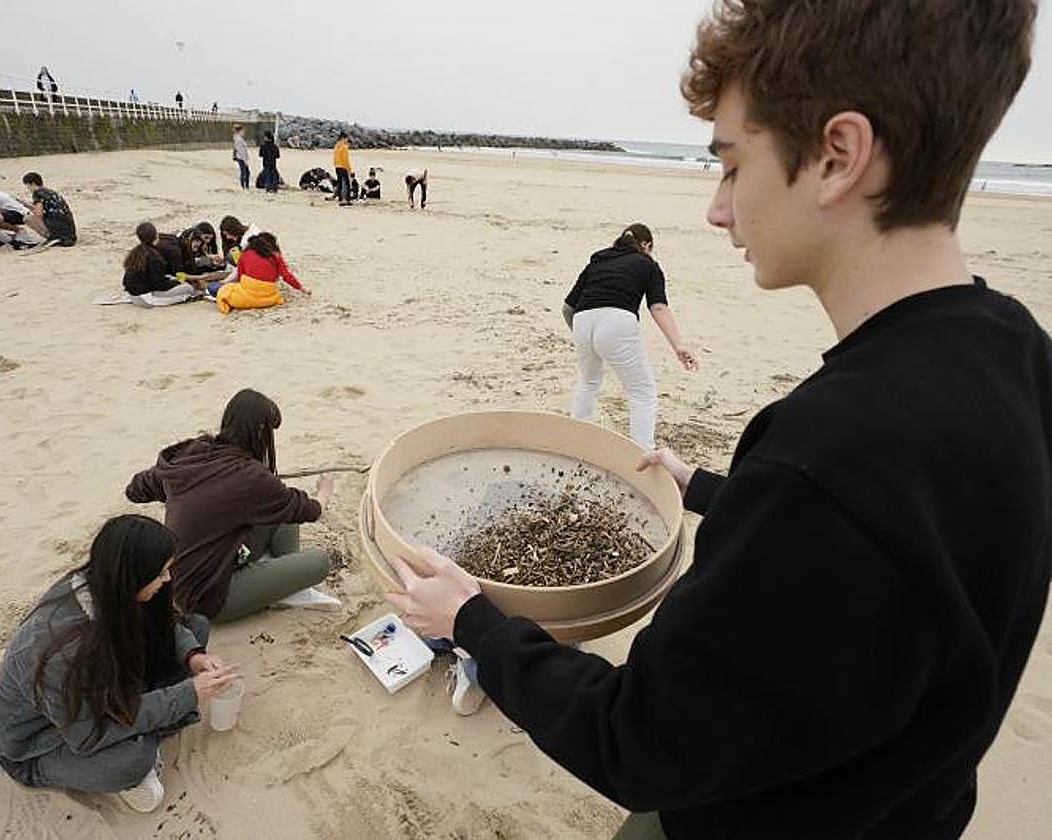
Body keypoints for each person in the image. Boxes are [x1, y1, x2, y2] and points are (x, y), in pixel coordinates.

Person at [381, 2, 1050, 840]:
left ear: (837, 156)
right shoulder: (1017, 351)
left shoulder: (826, 455)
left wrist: (472, 621)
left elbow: (638, 739)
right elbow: (885, 563)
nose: (717, 209)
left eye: (731, 165)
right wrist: (710, 489)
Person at [0, 515, 239, 812]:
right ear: (133, 576)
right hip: (40, 740)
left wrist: (194, 657)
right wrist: (187, 694)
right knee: (131, 762)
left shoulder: (108, 588)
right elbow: (88, 734)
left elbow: (166, 624)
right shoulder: (61, 652)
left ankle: (148, 721)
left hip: (102, 688)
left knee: (195, 629)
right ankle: (136, 740)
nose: (168, 579)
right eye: (160, 573)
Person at [126, 390, 335, 622]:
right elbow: (311, 511)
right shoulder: (249, 477)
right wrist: (324, 491)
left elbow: (134, 490)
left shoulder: (188, 457)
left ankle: (286, 585)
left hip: (181, 577)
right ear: (260, 433)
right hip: (208, 597)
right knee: (319, 561)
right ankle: (284, 587)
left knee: (280, 507)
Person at [564, 224, 697, 449]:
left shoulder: (598, 261)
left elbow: (568, 308)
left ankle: (577, 442)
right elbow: (658, 307)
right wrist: (678, 345)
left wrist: (583, 337)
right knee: (642, 392)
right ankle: (642, 452)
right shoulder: (647, 264)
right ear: (646, 245)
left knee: (588, 382)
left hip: (582, 321)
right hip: (617, 321)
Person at [213, 232, 309, 313]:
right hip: (269, 297)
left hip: (247, 294)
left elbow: (240, 275)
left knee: (224, 290)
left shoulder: (245, 253)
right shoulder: (276, 256)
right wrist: (301, 288)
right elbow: (286, 276)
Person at [122, 223, 203, 307]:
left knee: (171, 280)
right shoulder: (154, 257)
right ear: (156, 236)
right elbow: (160, 285)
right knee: (188, 288)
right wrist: (176, 282)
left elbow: (125, 281)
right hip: (145, 298)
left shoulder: (135, 252)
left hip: (132, 294)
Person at [20, 172, 77, 247]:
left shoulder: (37, 193)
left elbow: (38, 213)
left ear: (32, 184)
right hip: (70, 231)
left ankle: (53, 237)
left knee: (27, 218)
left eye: (27, 186)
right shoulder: (52, 192)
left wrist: (25, 207)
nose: (28, 189)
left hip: (58, 229)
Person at [332, 131, 353, 206]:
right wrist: (349, 169)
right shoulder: (344, 147)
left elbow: (334, 157)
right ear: (343, 138)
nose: (347, 140)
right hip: (343, 166)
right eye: (346, 139)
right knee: (346, 184)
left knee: (340, 183)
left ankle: (340, 198)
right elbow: (346, 159)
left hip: (337, 166)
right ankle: (346, 199)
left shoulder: (336, 146)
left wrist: (335, 165)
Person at [232, 125, 250, 190]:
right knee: (245, 172)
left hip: (241, 157)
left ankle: (244, 185)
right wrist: (245, 160)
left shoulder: (238, 138)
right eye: (243, 131)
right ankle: (244, 186)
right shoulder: (239, 139)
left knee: (245, 172)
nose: (244, 132)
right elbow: (241, 150)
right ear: (239, 131)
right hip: (241, 158)